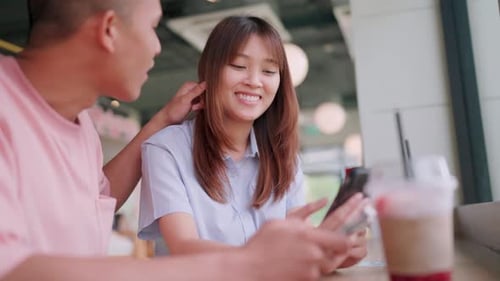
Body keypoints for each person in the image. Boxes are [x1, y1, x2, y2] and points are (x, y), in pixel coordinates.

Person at [0, 1, 356, 280]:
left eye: (268, 70)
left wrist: (317, 249)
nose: (158, 47)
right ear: (109, 29)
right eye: (154, 27)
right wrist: (248, 264)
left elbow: (97, 198)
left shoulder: (82, 128)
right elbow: (11, 270)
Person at [138, 15, 368, 272]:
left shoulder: (286, 160)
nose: (254, 81)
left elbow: (294, 246)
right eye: (239, 66)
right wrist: (272, 257)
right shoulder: (165, 149)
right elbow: (185, 246)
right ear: (210, 72)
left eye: (269, 71)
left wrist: (331, 249)